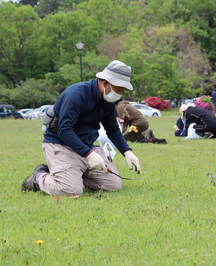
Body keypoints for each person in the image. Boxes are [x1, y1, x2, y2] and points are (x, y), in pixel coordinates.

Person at [21, 60, 141, 196]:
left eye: (122, 90)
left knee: (113, 185)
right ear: (105, 83)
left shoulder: (108, 101)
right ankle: (39, 177)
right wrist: (89, 154)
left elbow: (112, 129)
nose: (119, 94)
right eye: (118, 89)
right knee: (70, 190)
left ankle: (73, 174)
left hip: (86, 147)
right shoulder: (76, 94)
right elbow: (64, 131)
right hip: (60, 144)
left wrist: (127, 151)